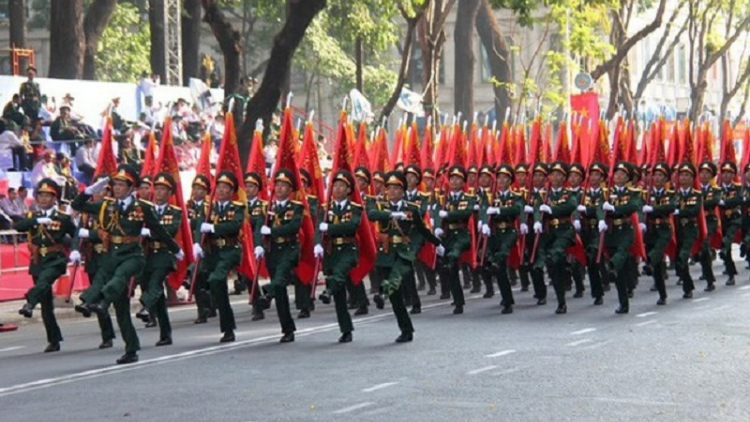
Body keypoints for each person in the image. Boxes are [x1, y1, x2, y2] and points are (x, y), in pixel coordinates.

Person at [72, 164, 183, 364]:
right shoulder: (106, 205)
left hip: (132, 255)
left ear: (131, 187)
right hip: (110, 256)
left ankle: (101, 302)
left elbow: (159, 230)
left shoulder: (142, 207)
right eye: (115, 184)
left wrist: (175, 249)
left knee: (119, 278)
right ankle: (131, 348)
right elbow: (77, 205)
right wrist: (92, 189)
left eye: (122, 185)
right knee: (121, 308)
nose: (117, 188)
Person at [368, 171, 441, 342]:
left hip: (404, 251)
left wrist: (437, 243)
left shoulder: (411, 208)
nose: (392, 191)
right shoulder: (381, 206)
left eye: (396, 188)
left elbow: (422, 229)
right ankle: (406, 329)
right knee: (396, 298)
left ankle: (383, 293)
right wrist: (392, 215)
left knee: (395, 277)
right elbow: (371, 215)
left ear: (402, 191)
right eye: (389, 188)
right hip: (386, 252)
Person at [15, 179, 77, 352]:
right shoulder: (32, 217)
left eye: (47, 196)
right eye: (40, 195)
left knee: (44, 280)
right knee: (46, 303)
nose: (43, 199)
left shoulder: (62, 218)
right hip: (38, 260)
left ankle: (29, 302)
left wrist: (75, 250)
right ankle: (54, 339)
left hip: (55, 259)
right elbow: (18, 225)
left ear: (54, 198)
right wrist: (38, 221)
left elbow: (76, 235)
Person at [192, 171, 243, 343]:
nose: (221, 191)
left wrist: (213, 228)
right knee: (194, 273)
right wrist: (197, 243)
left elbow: (235, 226)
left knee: (216, 279)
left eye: (225, 188)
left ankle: (210, 299)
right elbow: (199, 226)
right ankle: (227, 326)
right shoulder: (207, 208)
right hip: (211, 252)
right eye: (219, 187)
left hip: (229, 251)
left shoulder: (237, 207)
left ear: (231, 191)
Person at [255, 169, 304, 343]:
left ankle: (267, 292)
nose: (280, 188)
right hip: (273, 251)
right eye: (277, 185)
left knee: (279, 279)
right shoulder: (267, 207)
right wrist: (259, 245)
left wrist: (273, 231)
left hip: (289, 249)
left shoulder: (297, 207)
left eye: (284, 186)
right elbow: (259, 228)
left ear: (290, 189)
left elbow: (294, 227)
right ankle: (287, 329)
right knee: (281, 291)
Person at [315, 169, 363, 343]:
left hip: (348, 249)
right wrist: (317, 244)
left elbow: (352, 226)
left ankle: (328, 290)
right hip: (331, 251)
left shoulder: (355, 208)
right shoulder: (325, 208)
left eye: (341, 185)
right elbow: (317, 229)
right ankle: (346, 329)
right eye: (335, 185)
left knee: (340, 274)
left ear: (349, 189)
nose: (337, 189)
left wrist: (330, 228)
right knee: (340, 296)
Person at [134, 172, 182, 346]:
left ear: (170, 193)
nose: (160, 192)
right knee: (158, 296)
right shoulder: (145, 209)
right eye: (158, 189)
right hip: (147, 255)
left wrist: (150, 232)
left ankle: (145, 306)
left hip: (163, 255)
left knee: (155, 283)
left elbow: (171, 230)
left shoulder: (175, 212)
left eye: (164, 190)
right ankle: (165, 333)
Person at [71, 174, 117, 349]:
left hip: (109, 257)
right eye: (95, 190)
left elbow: (110, 234)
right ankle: (107, 335)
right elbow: (78, 233)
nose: (98, 193)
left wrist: (91, 235)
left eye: (101, 190)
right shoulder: (87, 214)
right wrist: (75, 249)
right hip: (93, 259)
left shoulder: (113, 209)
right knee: (98, 298)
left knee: (108, 296)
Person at [533, 161, 577, 314]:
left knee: (557, 253)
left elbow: (570, 206)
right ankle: (561, 300)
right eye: (553, 174)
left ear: (564, 177)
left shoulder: (569, 193)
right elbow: (537, 209)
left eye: (559, 174)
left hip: (564, 231)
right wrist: (538, 220)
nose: (555, 177)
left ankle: (564, 266)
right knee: (553, 269)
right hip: (549, 231)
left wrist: (551, 209)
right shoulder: (543, 194)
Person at [481, 164, 523, 314]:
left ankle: (507, 303)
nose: (501, 180)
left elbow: (517, 209)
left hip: (510, 231)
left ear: (510, 180)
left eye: (505, 178)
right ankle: (507, 298)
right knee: (499, 269)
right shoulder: (491, 195)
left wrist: (499, 210)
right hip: (496, 232)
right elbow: (483, 209)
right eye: (499, 177)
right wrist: (484, 222)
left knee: (502, 256)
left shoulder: (515, 196)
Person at [602, 162, 641, 314]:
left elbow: (633, 206)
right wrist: (600, 219)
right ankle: (623, 302)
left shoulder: (633, 192)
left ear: (627, 178)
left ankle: (611, 266)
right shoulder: (606, 192)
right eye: (617, 173)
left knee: (621, 254)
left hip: (625, 230)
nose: (618, 176)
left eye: (622, 174)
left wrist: (614, 209)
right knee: (620, 273)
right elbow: (600, 207)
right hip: (611, 232)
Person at [642, 162, 676, 305]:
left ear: (666, 178)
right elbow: (638, 207)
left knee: (657, 252)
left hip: (663, 229)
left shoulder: (671, 193)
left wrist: (654, 210)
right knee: (656, 266)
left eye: (661, 175)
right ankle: (662, 293)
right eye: (655, 175)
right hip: (650, 230)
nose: (657, 178)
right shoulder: (645, 193)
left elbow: (671, 207)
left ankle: (650, 262)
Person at [578, 162, 608, 305]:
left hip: (600, 229)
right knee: (590, 262)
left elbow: (600, 208)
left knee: (594, 257)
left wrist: (587, 211)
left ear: (602, 177)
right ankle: (597, 290)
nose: (594, 177)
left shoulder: (606, 193)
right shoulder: (584, 193)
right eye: (592, 174)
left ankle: (602, 287)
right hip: (586, 230)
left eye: (597, 175)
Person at [718, 161, 742, 286]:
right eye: (724, 173)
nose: (726, 175)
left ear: (733, 175)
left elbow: (738, 199)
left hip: (735, 218)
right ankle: (730, 273)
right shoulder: (717, 189)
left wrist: (725, 203)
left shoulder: (738, 187)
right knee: (726, 249)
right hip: (722, 220)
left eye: (729, 173)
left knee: (728, 237)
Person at [698, 161, 720, 291]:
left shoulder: (715, 189)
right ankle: (708, 276)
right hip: (699, 222)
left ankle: (709, 278)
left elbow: (714, 202)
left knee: (704, 246)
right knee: (701, 252)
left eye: (708, 173)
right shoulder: (696, 189)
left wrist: (699, 204)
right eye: (702, 172)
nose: (704, 175)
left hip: (710, 221)